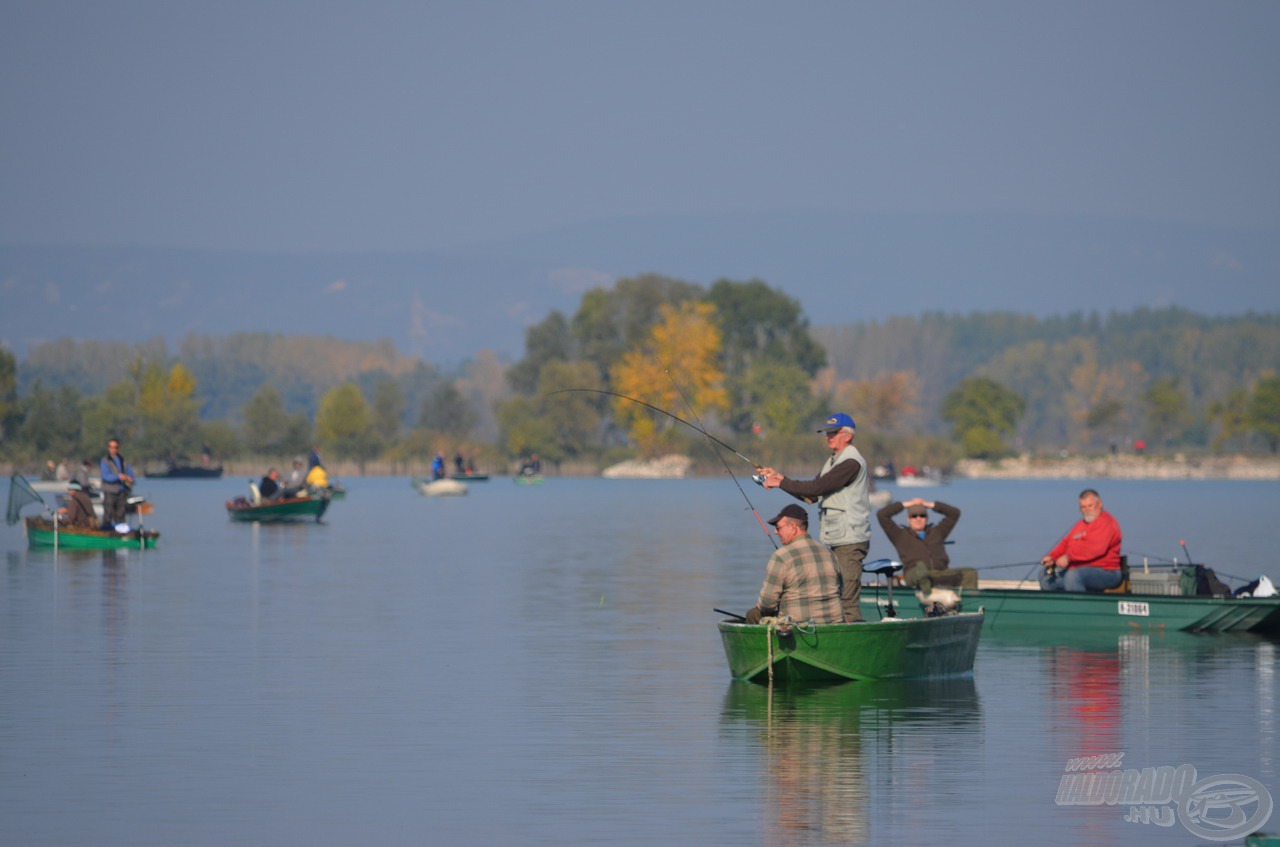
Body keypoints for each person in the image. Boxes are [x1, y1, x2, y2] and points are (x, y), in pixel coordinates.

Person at [759, 413, 872, 623]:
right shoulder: (833, 462)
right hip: (837, 539)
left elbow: (817, 487)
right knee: (836, 595)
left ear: (847, 436)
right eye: (826, 433)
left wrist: (779, 483)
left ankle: (854, 643)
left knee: (846, 598)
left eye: (833, 433)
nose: (828, 437)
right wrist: (781, 479)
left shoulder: (851, 462)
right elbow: (811, 495)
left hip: (850, 540)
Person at [744, 504, 844, 625]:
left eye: (778, 527)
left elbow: (767, 603)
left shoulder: (781, 556)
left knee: (752, 614)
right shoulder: (829, 553)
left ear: (793, 527)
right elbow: (841, 591)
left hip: (795, 624)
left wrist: (764, 606)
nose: (776, 532)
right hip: (833, 621)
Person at [877, 498, 977, 594]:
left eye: (922, 515)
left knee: (969, 572)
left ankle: (971, 603)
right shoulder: (899, 535)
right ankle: (928, 599)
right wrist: (907, 504)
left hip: (939, 573)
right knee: (921, 570)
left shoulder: (937, 532)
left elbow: (954, 513)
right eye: (914, 516)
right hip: (914, 574)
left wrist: (929, 505)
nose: (918, 519)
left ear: (927, 518)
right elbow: (882, 515)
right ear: (908, 519)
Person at [1039, 488, 1124, 592]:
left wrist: (1068, 557)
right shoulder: (1080, 525)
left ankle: (1080, 606)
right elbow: (1065, 544)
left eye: (1090, 506)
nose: (1087, 509)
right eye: (1083, 507)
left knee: (1073, 576)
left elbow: (1094, 549)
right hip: (1078, 569)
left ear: (1099, 504)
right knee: (1046, 576)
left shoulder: (1106, 522)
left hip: (1107, 572)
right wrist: (1052, 557)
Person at [99, 438, 135, 528]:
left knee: (121, 514)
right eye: (111, 447)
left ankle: (120, 532)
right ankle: (106, 530)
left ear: (118, 448)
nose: (113, 449)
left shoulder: (123, 461)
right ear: (108, 448)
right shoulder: (105, 461)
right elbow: (106, 476)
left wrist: (130, 478)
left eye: (115, 447)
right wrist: (118, 476)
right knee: (108, 513)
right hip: (110, 491)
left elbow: (130, 473)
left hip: (122, 491)